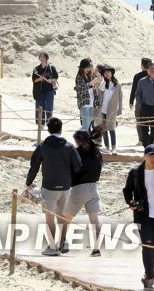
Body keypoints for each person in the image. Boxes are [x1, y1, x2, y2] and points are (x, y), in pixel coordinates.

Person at [25, 117, 82, 256]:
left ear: (48, 129)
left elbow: (34, 166)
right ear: (61, 129)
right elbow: (78, 166)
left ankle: (52, 247)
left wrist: (28, 182)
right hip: (65, 187)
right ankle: (62, 242)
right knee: (61, 215)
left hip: (49, 186)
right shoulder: (69, 146)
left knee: (49, 217)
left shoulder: (43, 146)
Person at [125, 144, 154, 291]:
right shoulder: (135, 172)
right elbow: (127, 191)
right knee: (147, 247)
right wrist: (131, 203)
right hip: (143, 216)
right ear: (145, 156)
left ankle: (147, 273)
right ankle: (150, 280)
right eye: (151, 155)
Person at [64, 129, 103, 256]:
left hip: (79, 188)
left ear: (77, 141)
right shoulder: (97, 152)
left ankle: (62, 243)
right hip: (93, 187)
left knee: (67, 218)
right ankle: (96, 249)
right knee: (95, 221)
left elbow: (72, 170)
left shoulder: (76, 152)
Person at [136, 61, 154, 147]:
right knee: (144, 128)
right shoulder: (142, 81)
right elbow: (137, 94)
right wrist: (141, 105)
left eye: (153, 68)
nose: (152, 70)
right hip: (145, 107)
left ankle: (150, 142)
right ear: (147, 71)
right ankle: (147, 146)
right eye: (150, 68)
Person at [95, 65, 123, 154]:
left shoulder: (117, 84)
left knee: (112, 128)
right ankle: (107, 147)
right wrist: (103, 80)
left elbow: (120, 98)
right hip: (102, 110)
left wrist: (120, 110)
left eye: (109, 72)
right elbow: (100, 89)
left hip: (112, 110)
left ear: (112, 73)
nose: (107, 74)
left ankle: (114, 147)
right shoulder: (103, 84)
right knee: (103, 129)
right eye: (105, 72)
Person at [32, 51, 59, 128]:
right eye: (40, 57)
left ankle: (49, 123)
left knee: (49, 107)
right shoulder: (36, 69)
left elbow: (56, 77)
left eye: (43, 57)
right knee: (40, 107)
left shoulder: (51, 67)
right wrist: (40, 79)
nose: (42, 58)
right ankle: (40, 124)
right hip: (39, 91)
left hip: (50, 90)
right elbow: (34, 80)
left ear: (46, 58)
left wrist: (52, 80)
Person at [74, 58, 101, 131]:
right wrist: (91, 83)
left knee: (87, 125)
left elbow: (94, 91)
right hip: (84, 104)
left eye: (89, 67)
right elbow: (80, 88)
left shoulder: (90, 76)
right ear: (82, 67)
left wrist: (96, 103)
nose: (88, 69)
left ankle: (83, 139)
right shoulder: (79, 76)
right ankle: (78, 137)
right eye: (87, 67)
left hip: (91, 104)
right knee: (85, 126)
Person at [133, 58, 154, 144]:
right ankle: (152, 136)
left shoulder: (137, 76)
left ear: (142, 66)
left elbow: (134, 89)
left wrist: (131, 100)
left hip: (139, 102)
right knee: (150, 120)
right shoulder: (153, 76)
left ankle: (141, 140)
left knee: (139, 121)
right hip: (151, 103)